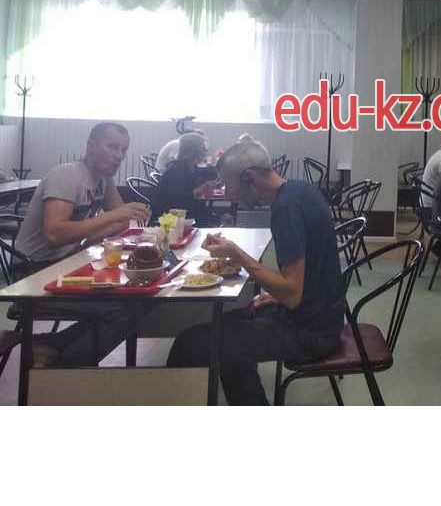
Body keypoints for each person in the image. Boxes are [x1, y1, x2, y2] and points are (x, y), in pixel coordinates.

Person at [167, 136, 345, 405]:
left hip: (310, 333)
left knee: (190, 344)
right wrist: (276, 295)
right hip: (322, 316)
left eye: (228, 184)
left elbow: (292, 294)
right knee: (224, 338)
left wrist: (237, 254)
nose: (228, 193)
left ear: (249, 177)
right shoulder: (299, 190)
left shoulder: (285, 210)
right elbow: (305, 279)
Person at [14, 122, 149, 367]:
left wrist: (101, 231)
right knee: (123, 311)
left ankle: (52, 345)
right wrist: (111, 218)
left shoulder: (104, 179)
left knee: (140, 296)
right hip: (32, 274)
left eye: (123, 149)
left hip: (66, 265)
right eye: (112, 147)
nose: (119, 155)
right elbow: (54, 234)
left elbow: (121, 221)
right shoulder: (67, 175)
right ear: (91, 146)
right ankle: (65, 371)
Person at [149, 132, 216, 227]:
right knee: (205, 214)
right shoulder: (177, 170)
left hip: (182, 215)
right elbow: (178, 200)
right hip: (169, 221)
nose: (206, 153)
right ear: (195, 151)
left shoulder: (190, 166)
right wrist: (201, 189)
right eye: (204, 150)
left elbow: (209, 172)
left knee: (205, 212)